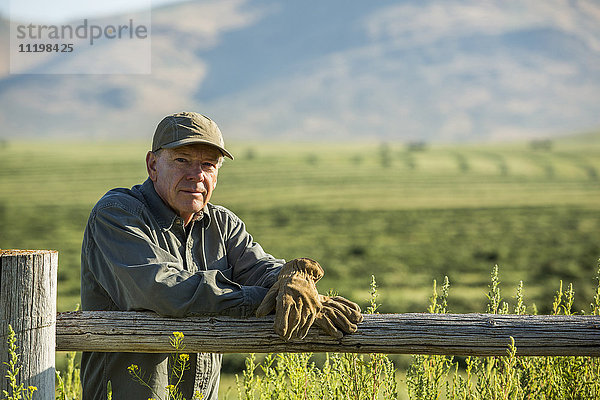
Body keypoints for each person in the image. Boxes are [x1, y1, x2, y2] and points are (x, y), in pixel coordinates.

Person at [80, 111, 363, 400]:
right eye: (182, 160)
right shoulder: (118, 214)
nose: (196, 175)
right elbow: (163, 289)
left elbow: (259, 267)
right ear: (153, 165)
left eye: (208, 164)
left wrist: (294, 281)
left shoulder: (222, 223)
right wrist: (263, 300)